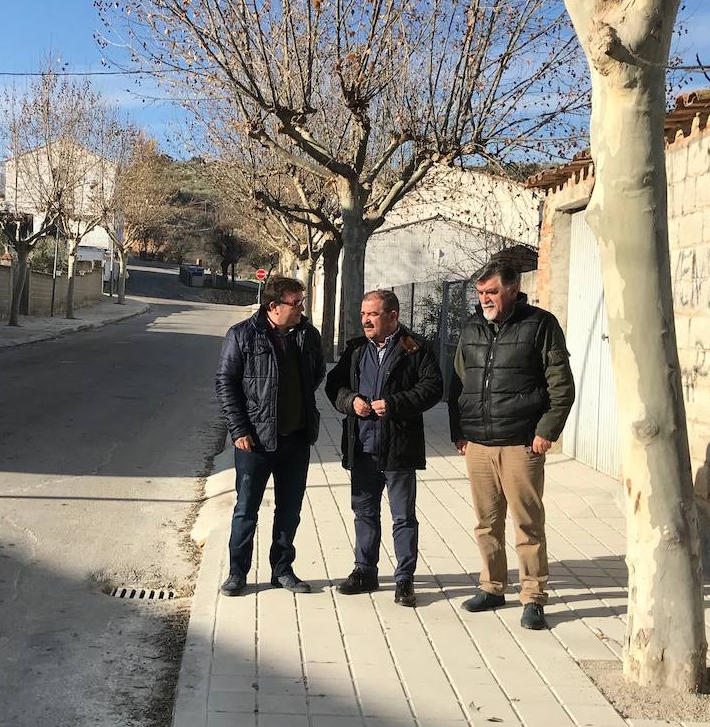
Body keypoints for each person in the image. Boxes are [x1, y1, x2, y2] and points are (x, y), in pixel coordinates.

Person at [448, 260, 575, 630]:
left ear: (513, 290)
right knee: (486, 523)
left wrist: (546, 431)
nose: (484, 299)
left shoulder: (540, 324)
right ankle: (491, 587)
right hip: (478, 444)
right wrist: (459, 430)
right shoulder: (472, 327)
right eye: (480, 292)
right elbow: (459, 382)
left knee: (527, 524)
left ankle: (533, 597)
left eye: (492, 292)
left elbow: (561, 384)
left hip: (522, 443)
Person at [325, 290, 443, 608]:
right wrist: (351, 401)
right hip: (362, 445)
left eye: (373, 314)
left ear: (392, 316)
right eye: (364, 313)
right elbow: (334, 385)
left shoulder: (414, 348)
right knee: (364, 512)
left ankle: (404, 580)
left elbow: (433, 387)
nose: (366, 320)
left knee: (403, 517)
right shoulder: (356, 349)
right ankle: (365, 572)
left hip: (398, 447)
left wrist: (394, 404)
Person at [215, 275, 326, 595]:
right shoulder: (242, 335)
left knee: (289, 511)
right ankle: (237, 573)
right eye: (296, 303)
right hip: (255, 442)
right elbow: (225, 384)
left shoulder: (308, 335)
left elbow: (317, 373)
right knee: (246, 510)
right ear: (274, 306)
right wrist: (239, 429)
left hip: (297, 439)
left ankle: (282, 570)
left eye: (302, 302)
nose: (302, 308)